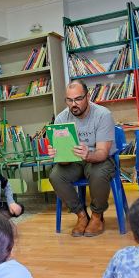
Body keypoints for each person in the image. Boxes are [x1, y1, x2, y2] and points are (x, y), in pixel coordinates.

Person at [48, 81, 116, 237]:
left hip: (98, 158)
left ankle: (97, 216)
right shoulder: (61, 119)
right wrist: (58, 156)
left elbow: (102, 153)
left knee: (98, 173)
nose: (74, 104)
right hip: (75, 162)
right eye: (69, 100)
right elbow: (64, 161)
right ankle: (81, 215)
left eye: (78, 99)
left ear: (88, 96)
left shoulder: (103, 115)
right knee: (55, 175)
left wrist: (88, 155)